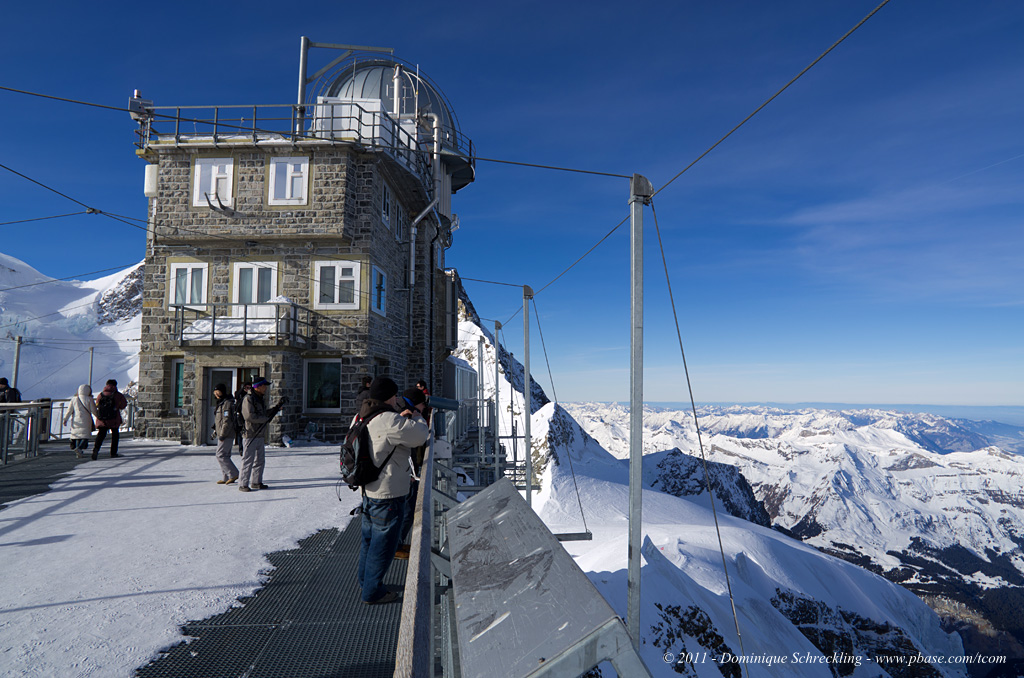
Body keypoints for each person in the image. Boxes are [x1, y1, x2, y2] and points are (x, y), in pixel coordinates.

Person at [356, 377, 429, 604]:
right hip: (387, 492)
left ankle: (366, 582)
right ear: (389, 396)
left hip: (369, 489)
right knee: (383, 545)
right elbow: (419, 436)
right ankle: (373, 592)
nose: (397, 399)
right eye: (395, 395)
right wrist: (417, 417)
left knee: (369, 540)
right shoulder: (387, 419)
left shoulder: (363, 415)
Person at [395, 387, 428, 560]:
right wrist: (419, 418)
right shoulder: (406, 414)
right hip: (404, 471)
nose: (424, 408)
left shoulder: (400, 411)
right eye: (423, 404)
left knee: (405, 509)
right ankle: (395, 545)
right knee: (406, 509)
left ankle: (397, 543)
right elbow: (417, 437)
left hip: (403, 469)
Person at [239, 376, 283, 492]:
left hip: (259, 434)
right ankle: (243, 484)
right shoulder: (248, 399)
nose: (266, 388)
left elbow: (264, 414)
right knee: (248, 460)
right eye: (264, 386)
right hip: (250, 434)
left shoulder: (260, 399)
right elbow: (249, 416)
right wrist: (265, 419)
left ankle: (256, 482)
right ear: (258, 387)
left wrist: (276, 408)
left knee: (259, 460)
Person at [93, 379, 128, 460]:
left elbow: (97, 404)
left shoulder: (101, 394)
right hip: (114, 418)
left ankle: (96, 450)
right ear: (115, 385)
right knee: (115, 436)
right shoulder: (118, 395)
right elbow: (123, 405)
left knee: (101, 435)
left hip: (102, 419)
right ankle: (113, 453)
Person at [212, 383, 239, 485]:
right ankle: (225, 476)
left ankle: (233, 473)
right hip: (221, 433)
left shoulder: (227, 403)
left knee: (220, 455)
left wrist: (223, 434)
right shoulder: (221, 403)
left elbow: (227, 421)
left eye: (217, 392)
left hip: (227, 433)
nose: (216, 394)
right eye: (215, 392)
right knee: (225, 454)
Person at [62, 384, 98, 459]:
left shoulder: (74, 399)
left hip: (76, 419)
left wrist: (65, 419)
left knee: (78, 435)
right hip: (86, 420)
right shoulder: (89, 399)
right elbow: (93, 410)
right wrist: (98, 417)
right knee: (85, 436)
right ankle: (79, 448)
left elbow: (69, 411)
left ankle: (78, 451)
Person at [232, 382, 251, 455]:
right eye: (246, 388)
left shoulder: (250, 395)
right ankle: (241, 448)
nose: (248, 389)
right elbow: (236, 396)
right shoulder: (240, 394)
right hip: (240, 415)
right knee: (240, 432)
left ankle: (246, 448)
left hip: (247, 415)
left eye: (249, 388)